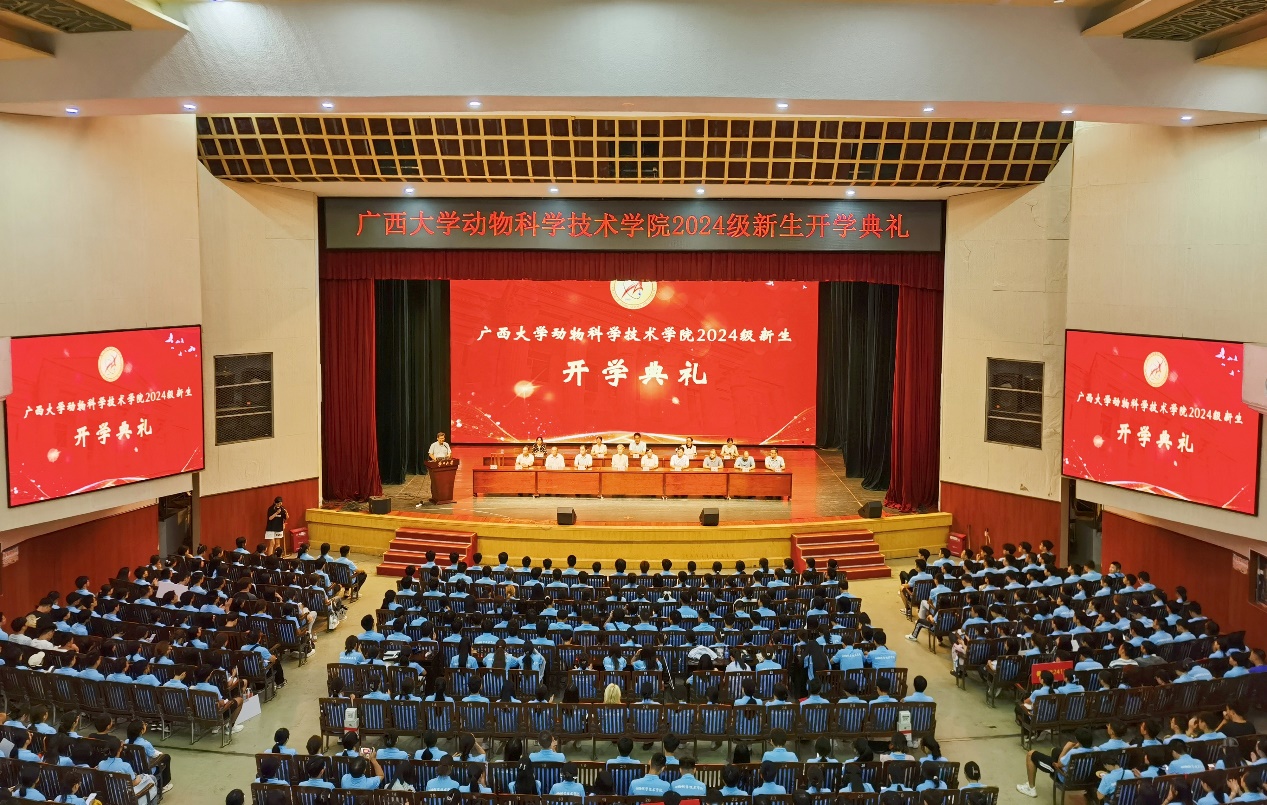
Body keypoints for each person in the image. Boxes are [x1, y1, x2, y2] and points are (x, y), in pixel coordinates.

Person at [1016, 727, 1096, 797]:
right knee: (1055, 750)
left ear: (1079, 742)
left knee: (1031, 754)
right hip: (1083, 778)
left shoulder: (1073, 753)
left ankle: (1031, 789)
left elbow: (1059, 765)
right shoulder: (1096, 750)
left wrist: (1066, 748)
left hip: (1064, 777)